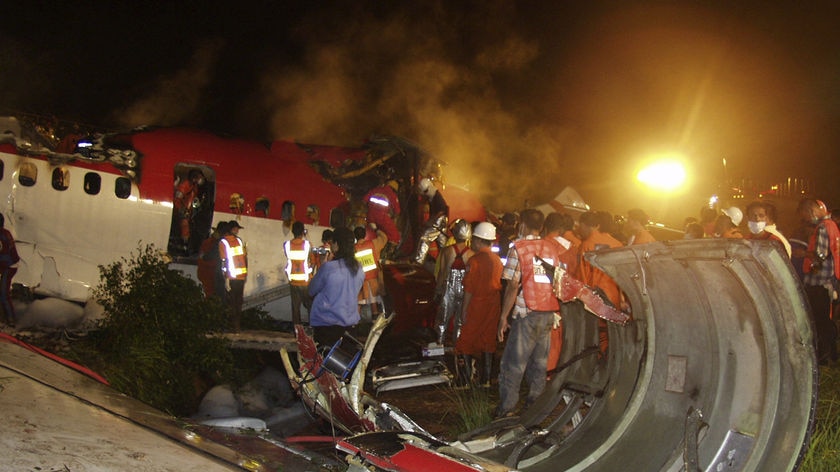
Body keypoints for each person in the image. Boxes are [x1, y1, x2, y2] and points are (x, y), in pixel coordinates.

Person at [496, 209, 565, 418]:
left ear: (522, 225)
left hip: (526, 313)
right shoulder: (551, 249)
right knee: (539, 364)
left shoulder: (519, 248)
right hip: (547, 312)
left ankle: (507, 410)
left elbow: (512, 285)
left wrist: (503, 317)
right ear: (541, 226)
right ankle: (535, 407)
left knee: (513, 363)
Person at [455, 222, 503, 388]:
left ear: (478, 240)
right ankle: (486, 380)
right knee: (488, 339)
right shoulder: (497, 260)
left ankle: (464, 381)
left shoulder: (474, 261)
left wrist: (464, 310)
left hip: (478, 302)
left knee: (465, 340)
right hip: (494, 303)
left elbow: (469, 288)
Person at [796, 198, 840, 363]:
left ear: (811, 211)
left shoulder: (822, 228)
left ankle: (825, 356)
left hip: (819, 282)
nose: (807, 219)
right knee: (825, 320)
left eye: (806, 215)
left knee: (820, 320)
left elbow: (821, 255)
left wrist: (803, 254)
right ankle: (831, 354)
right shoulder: (832, 225)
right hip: (829, 279)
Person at [576, 211, 624, 354]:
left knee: (591, 339)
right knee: (608, 338)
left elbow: (582, 277)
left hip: (593, 300)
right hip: (613, 299)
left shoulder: (586, 245)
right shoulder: (618, 245)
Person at [309, 226, 365, 347]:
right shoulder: (359, 268)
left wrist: (323, 264)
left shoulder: (329, 268)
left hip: (326, 327)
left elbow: (311, 290)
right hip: (350, 328)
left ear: (336, 244)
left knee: (323, 363)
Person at [542, 212, 579, 375]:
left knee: (547, 343)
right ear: (562, 228)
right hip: (567, 302)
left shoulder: (541, 245)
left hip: (544, 301)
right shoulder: (573, 248)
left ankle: (546, 378)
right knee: (563, 343)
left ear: (545, 227)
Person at [434, 219, 474, 347]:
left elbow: (443, 273)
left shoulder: (447, 251)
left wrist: (437, 290)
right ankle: (458, 349)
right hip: (465, 289)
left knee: (443, 320)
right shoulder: (472, 254)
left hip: (449, 288)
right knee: (460, 321)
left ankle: (440, 345)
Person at [354, 225, 387, 321]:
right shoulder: (373, 244)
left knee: (358, 304)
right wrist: (376, 229)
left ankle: (353, 326)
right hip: (374, 281)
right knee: (374, 305)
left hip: (360, 282)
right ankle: (375, 324)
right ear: (365, 235)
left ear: (355, 237)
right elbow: (384, 238)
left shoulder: (353, 248)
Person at [219, 220, 248, 331]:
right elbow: (244, 257)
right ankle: (236, 325)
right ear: (231, 229)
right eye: (236, 228)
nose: (237, 231)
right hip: (240, 276)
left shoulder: (223, 242)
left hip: (232, 276)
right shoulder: (239, 241)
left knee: (232, 301)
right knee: (238, 301)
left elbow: (223, 260)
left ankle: (233, 325)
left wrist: (224, 276)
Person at [284, 221, 314, 325]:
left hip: (293, 281)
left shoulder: (287, 245)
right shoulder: (307, 245)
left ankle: (297, 331)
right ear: (302, 232)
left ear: (292, 231)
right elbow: (313, 262)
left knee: (295, 308)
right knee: (310, 305)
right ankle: (312, 328)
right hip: (305, 282)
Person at [414, 177, 449, 264]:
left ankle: (418, 261)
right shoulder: (433, 196)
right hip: (441, 221)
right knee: (442, 243)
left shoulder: (437, 197)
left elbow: (441, 211)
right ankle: (445, 263)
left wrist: (431, 221)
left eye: (425, 192)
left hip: (439, 220)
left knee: (425, 237)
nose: (425, 194)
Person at [173, 169, 206, 255]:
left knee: (189, 228)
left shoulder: (194, 187)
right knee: (185, 227)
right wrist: (181, 209)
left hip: (188, 212)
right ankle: (184, 246)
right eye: (199, 177)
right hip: (181, 211)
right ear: (194, 178)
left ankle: (186, 245)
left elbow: (192, 200)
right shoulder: (185, 185)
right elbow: (177, 198)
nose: (200, 180)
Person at [365, 180, 402, 246]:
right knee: (395, 236)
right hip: (382, 218)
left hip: (369, 216)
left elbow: (365, 200)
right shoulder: (392, 194)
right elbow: (397, 211)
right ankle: (388, 252)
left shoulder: (375, 190)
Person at [0, 213, 19, 325]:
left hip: (9, 266)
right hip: (10, 265)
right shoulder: (5, 232)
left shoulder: (2, 236)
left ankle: (11, 321)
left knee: (3, 293)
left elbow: (5, 256)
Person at [197, 223, 225, 300]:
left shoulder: (211, 242)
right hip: (208, 272)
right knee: (210, 294)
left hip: (208, 272)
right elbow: (205, 258)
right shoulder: (211, 243)